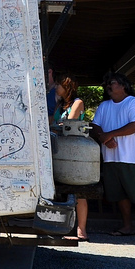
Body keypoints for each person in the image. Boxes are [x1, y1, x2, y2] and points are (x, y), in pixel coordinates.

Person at [91, 73, 135, 240]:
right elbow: (95, 125)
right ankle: (127, 226)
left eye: (112, 83)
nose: (109, 86)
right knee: (119, 195)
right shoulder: (104, 105)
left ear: (123, 86)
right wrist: (103, 138)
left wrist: (109, 135)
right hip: (111, 157)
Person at [53, 71, 88, 241]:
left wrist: (56, 124)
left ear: (66, 86)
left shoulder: (77, 103)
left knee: (79, 189)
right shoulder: (60, 106)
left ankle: (81, 230)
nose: (55, 88)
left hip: (75, 150)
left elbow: (68, 123)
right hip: (60, 148)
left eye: (58, 85)